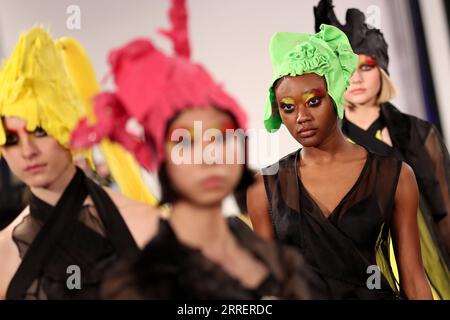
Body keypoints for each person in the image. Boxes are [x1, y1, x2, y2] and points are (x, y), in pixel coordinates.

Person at [71, 0, 311, 300]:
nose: (209, 155)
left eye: (222, 137)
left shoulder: (279, 265)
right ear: (159, 154)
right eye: (185, 141)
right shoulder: (137, 286)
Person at [247, 24, 433, 299]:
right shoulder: (264, 187)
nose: (301, 117)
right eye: (288, 107)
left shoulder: (395, 175)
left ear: (335, 94)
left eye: (313, 101)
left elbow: (414, 281)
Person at [0, 27, 160, 300]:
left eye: (40, 130)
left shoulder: (146, 224)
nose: (27, 151)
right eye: (12, 139)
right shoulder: (3, 255)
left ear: (69, 128)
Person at [314, 0, 450, 299]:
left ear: (382, 70)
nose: (357, 77)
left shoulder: (417, 133)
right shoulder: (323, 146)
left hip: (434, 270)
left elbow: (445, 211)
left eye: (367, 66)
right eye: (347, 68)